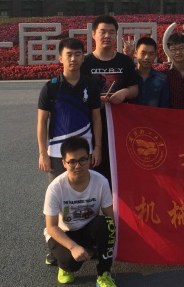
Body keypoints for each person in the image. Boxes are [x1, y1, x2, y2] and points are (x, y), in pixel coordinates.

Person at [44, 136, 117, 286]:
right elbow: (51, 227)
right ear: (64, 163)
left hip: (87, 229)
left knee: (108, 225)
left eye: (82, 160)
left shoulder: (101, 182)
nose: (78, 166)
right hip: (65, 232)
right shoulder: (55, 188)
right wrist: (73, 247)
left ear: (89, 159)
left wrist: (106, 242)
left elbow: (109, 217)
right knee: (70, 262)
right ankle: (63, 264)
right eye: (72, 161)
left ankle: (104, 274)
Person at [82, 15, 138, 185]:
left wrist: (125, 93)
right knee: (94, 173)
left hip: (119, 126)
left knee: (119, 173)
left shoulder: (125, 61)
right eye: (103, 32)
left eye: (111, 32)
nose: (107, 36)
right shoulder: (85, 63)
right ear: (94, 34)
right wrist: (92, 101)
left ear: (116, 35)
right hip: (91, 127)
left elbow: (135, 89)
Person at [37, 37, 103, 180]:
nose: (73, 59)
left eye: (77, 54)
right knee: (58, 191)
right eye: (69, 55)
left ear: (83, 58)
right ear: (61, 58)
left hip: (85, 151)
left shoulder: (91, 86)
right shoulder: (51, 87)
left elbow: (97, 118)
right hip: (57, 152)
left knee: (85, 190)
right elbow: (42, 121)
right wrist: (43, 153)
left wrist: (98, 147)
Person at [134, 36, 169, 107]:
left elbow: (164, 107)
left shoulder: (162, 79)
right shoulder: (129, 76)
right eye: (143, 53)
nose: (147, 57)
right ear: (136, 53)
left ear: (156, 55)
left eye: (151, 54)